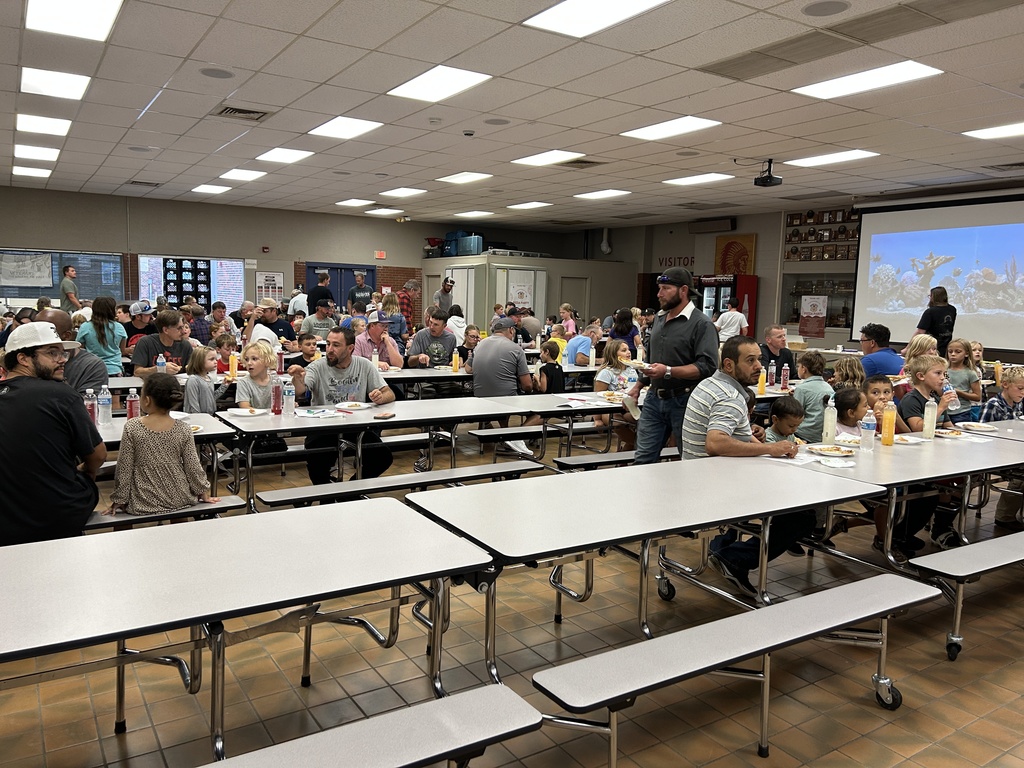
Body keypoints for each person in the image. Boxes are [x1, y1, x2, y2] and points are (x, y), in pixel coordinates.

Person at [678, 336, 805, 596]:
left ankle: (722, 549)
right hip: (714, 485)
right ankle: (734, 559)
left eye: (759, 359)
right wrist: (770, 447)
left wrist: (746, 433)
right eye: (750, 361)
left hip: (694, 476)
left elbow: (721, 431)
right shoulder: (731, 397)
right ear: (728, 364)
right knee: (801, 515)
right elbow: (715, 443)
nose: (758, 365)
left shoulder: (709, 384)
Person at [0, 322, 106, 545]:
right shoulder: (60, 394)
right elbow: (98, 456)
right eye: (52, 353)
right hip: (57, 515)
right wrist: (84, 471)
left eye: (63, 352)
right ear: (23, 358)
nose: (62, 359)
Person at [630, 267, 719, 464]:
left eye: (665, 288)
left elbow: (707, 366)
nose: (659, 294)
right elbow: (651, 359)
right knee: (643, 459)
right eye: (659, 288)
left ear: (683, 290)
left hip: (686, 400)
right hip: (654, 397)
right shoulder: (660, 319)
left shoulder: (701, 324)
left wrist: (668, 371)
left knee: (690, 458)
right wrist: (638, 386)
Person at [288, 326, 395, 484]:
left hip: (356, 425)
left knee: (383, 457)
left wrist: (380, 397)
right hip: (322, 426)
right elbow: (300, 390)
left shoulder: (364, 365)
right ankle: (327, 497)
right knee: (317, 463)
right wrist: (297, 378)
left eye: (336, 345)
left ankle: (350, 492)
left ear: (350, 348)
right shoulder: (318, 366)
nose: (330, 349)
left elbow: (389, 393)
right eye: (328, 344)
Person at [105, 373, 218, 517]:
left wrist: (119, 498)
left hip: (143, 501)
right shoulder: (183, 428)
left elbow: (124, 468)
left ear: (146, 400)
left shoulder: (132, 427)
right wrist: (202, 491)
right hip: (180, 498)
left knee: (122, 520)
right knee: (179, 516)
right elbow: (193, 466)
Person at [898, 354, 962, 550]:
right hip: (914, 459)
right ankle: (911, 533)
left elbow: (949, 426)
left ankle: (943, 525)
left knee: (964, 481)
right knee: (945, 486)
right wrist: (942, 406)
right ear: (921, 376)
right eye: (938, 373)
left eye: (944, 373)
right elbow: (919, 430)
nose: (943, 378)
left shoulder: (934, 397)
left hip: (937, 453)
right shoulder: (912, 399)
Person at [465, 317, 532, 455]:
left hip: (480, 396)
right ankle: (514, 436)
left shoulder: (479, 345)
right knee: (541, 409)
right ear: (511, 330)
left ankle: (501, 432)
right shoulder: (515, 348)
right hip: (506, 398)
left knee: (499, 393)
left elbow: (467, 368)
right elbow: (527, 386)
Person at [980, 367, 1024, 531]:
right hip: (998, 454)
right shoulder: (993, 405)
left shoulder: (1019, 404)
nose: (1023, 393)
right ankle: (1004, 516)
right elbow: (983, 433)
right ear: (1005, 384)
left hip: (1015, 451)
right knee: (1020, 476)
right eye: (1020, 388)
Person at [35, 309, 108, 395]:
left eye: (45, 333)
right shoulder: (30, 359)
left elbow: (87, 404)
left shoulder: (91, 365)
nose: (37, 338)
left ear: (66, 336)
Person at [594, 339, 639, 450]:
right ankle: (639, 445)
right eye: (624, 350)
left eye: (628, 349)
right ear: (614, 354)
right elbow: (596, 397)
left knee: (642, 420)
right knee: (618, 423)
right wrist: (597, 419)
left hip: (629, 407)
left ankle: (629, 451)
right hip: (609, 409)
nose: (628, 352)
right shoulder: (607, 372)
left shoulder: (632, 369)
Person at [74, 296, 127, 378]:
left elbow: (79, 350)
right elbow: (122, 351)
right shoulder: (119, 327)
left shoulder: (85, 327)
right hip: (115, 369)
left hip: (91, 369)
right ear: (112, 310)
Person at [132, 310, 193, 376]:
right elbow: (137, 372)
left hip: (178, 384)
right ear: (166, 330)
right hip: (153, 384)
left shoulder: (185, 345)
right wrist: (159, 369)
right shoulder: (145, 342)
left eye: (183, 327)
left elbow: (192, 369)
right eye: (179, 328)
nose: (184, 331)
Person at [791, 351, 834, 443]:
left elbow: (794, 414)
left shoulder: (801, 389)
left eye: (799, 366)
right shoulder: (829, 387)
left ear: (804, 369)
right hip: (823, 435)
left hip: (803, 434)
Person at [184, 346, 233, 414]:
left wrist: (224, 385)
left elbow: (212, 398)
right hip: (196, 419)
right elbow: (193, 404)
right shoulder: (193, 380)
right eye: (211, 359)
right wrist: (199, 418)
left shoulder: (209, 378)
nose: (216, 362)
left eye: (216, 359)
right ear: (200, 361)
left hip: (209, 416)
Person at [945, 338, 981, 424]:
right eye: (950, 351)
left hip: (962, 412)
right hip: (944, 411)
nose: (953, 354)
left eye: (958, 352)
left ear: (967, 354)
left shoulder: (970, 373)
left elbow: (977, 396)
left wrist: (959, 392)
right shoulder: (943, 370)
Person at [914, 285, 956, 356]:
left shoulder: (930, 311)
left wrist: (909, 348)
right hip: (946, 347)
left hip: (931, 348)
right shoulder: (952, 309)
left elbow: (920, 332)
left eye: (930, 296)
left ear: (934, 298)